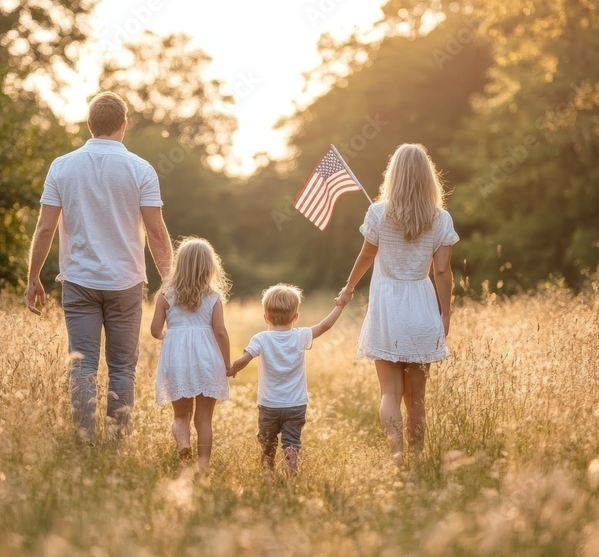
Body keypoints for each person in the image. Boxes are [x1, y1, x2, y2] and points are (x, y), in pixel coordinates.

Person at [25, 91, 173, 443]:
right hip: (126, 283)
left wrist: (33, 277)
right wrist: (170, 283)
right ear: (124, 125)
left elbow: (45, 228)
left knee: (82, 364)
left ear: (90, 125)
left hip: (79, 281)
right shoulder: (141, 169)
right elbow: (156, 232)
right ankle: (117, 443)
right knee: (122, 367)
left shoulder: (62, 166)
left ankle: (83, 440)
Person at [335, 143, 459, 467]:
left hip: (387, 309)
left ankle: (397, 455)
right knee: (416, 397)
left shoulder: (378, 212)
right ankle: (417, 459)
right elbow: (442, 271)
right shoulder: (441, 218)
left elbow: (365, 256)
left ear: (394, 175)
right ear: (428, 177)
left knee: (389, 393)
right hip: (422, 306)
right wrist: (445, 314)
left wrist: (348, 288)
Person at [228, 284, 347, 476]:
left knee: (267, 440)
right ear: (296, 317)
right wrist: (340, 306)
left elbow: (245, 358)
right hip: (296, 404)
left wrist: (233, 368)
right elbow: (325, 326)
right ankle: (292, 471)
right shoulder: (300, 336)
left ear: (265, 317)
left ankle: (267, 472)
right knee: (292, 440)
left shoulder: (261, 338)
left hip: (269, 404)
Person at [150, 237, 232, 472]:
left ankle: (184, 444)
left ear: (179, 265)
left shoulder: (166, 296)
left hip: (177, 359)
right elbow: (221, 332)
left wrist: (168, 334)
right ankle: (203, 466)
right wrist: (227, 364)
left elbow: (155, 331)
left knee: (181, 415)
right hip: (207, 360)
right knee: (204, 419)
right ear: (210, 267)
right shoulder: (213, 298)